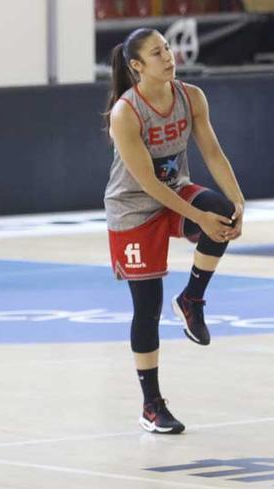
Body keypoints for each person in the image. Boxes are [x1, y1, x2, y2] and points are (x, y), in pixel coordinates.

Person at [104, 28, 245, 434]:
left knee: (220, 212)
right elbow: (147, 182)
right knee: (146, 307)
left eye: (167, 48)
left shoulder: (191, 96)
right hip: (134, 208)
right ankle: (152, 405)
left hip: (175, 192)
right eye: (156, 52)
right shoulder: (126, 113)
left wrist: (237, 201)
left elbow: (212, 152)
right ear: (136, 66)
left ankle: (193, 298)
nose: (168, 56)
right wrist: (197, 219)